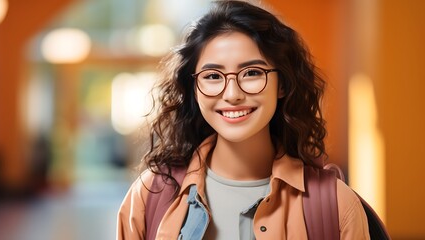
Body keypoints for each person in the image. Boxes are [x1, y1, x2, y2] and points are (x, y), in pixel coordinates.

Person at [117, 1, 370, 239]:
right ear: (193, 87)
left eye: (251, 73)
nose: (232, 94)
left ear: (282, 84)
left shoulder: (337, 205)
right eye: (213, 76)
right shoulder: (150, 195)